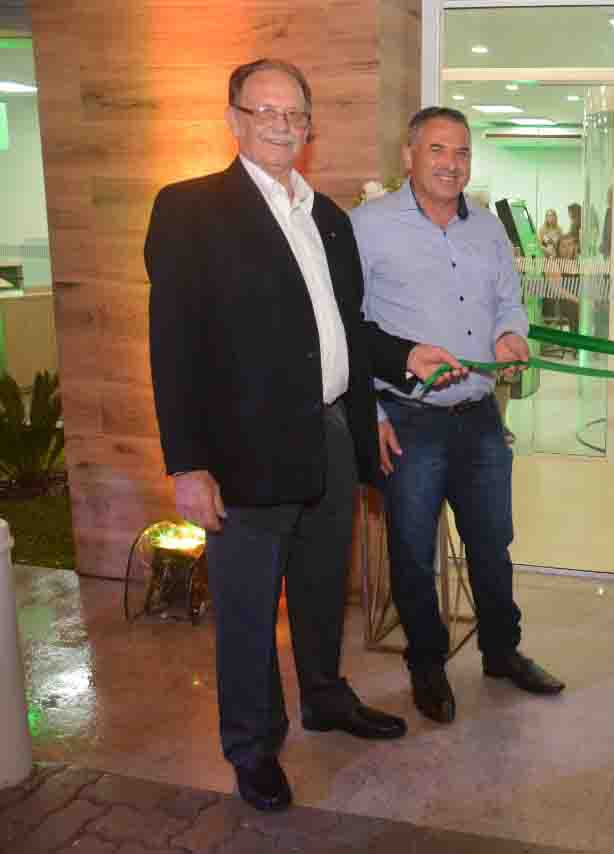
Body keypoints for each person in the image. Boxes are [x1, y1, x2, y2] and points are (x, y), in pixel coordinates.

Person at [145, 59, 462, 813]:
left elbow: (345, 328)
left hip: (330, 435)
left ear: (310, 127)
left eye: (294, 114)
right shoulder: (190, 209)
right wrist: (188, 465)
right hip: (243, 451)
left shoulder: (328, 218)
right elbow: (173, 346)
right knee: (249, 608)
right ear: (234, 119)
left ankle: (324, 695)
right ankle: (252, 745)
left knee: (322, 588)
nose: (282, 126)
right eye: (266, 111)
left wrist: (404, 356)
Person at [351, 106, 565, 727]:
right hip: (408, 419)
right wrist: (371, 412)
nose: (452, 164)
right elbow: (349, 327)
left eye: (462, 152)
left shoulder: (488, 230)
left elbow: (509, 303)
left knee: (493, 541)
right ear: (409, 156)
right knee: (413, 551)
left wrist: (511, 335)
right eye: (438, 150)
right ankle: (427, 665)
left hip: (478, 415)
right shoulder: (367, 226)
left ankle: (502, 651)